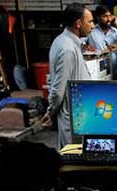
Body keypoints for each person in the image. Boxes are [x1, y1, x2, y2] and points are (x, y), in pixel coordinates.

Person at [42, 3, 93, 150]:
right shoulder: (67, 49)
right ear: (78, 23)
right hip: (73, 118)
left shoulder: (67, 42)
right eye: (89, 21)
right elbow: (58, 90)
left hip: (80, 115)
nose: (92, 25)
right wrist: (50, 112)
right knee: (74, 160)